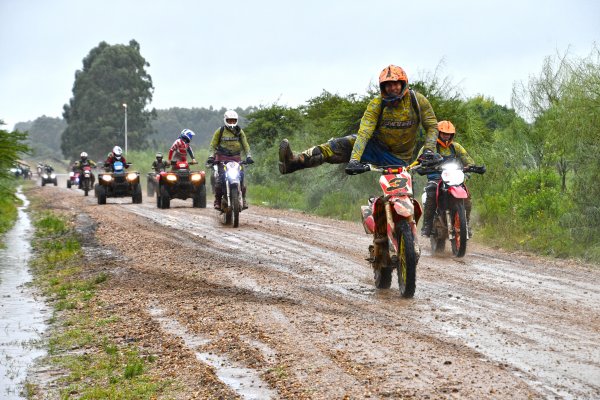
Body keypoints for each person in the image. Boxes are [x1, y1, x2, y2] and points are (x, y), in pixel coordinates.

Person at [278, 64, 439, 175]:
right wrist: (354, 160)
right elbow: (364, 133)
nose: (392, 88)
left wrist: (429, 150)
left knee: (403, 196)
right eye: (388, 85)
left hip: (399, 159)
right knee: (333, 147)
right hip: (374, 147)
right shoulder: (376, 104)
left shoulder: (417, 101)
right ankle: (293, 162)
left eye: (396, 83)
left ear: (403, 83)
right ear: (383, 87)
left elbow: (432, 126)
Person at [416, 120, 476, 237]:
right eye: (444, 133)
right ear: (438, 133)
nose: (446, 136)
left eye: (449, 133)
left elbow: (468, 160)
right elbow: (419, 160)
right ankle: (427, 225)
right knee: (432, 191)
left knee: (467, 196)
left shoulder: (456, 147)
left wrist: (470, 169)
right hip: (435, 176)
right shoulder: (429, 147)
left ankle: (466, 225)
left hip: (453, 177)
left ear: (452, 135)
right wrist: (421, 166)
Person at [206, 110, 254, 210]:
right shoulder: (220, 131)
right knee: (219, 181)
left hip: (236, 158)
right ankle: (218, 201)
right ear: (225, 120)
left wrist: (249, 156)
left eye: (233, 121)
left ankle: (243, 200)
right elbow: (212, 145)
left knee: (241, 179)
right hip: (222, 158)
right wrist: (211, 157)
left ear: (236, 121)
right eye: (229, 120)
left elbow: (246, 145)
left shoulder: (239, 131)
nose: (232, 123)